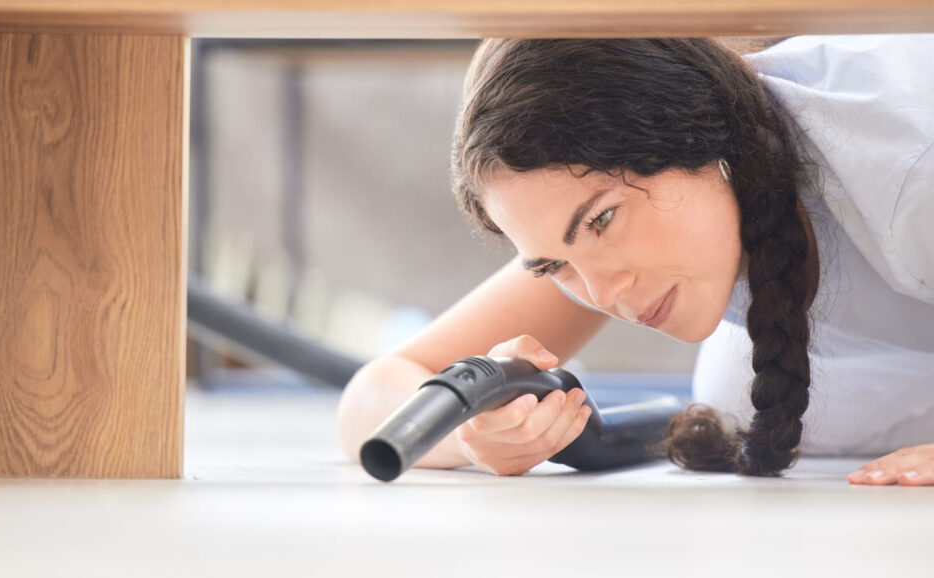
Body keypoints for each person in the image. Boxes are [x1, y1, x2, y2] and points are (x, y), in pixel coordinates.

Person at [335, 35, 934, 485]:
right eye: (552, 265)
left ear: (700, 136)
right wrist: (474, 437)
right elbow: (377, 392)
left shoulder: (907, 166)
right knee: (731, 387)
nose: (605, 293)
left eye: (601, 220)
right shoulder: (596, 234)